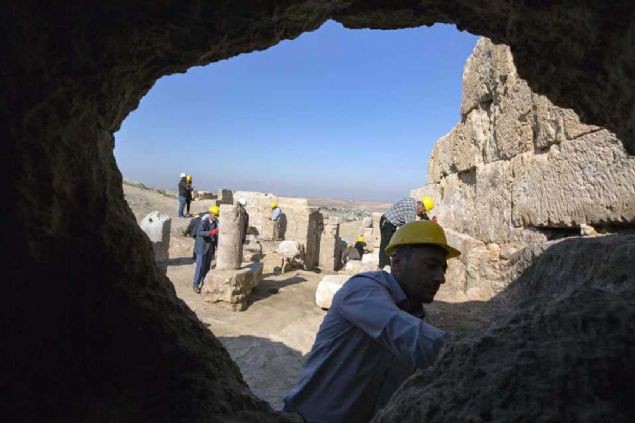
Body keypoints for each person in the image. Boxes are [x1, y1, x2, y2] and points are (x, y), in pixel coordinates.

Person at [283, 221, 460, 422]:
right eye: (431, 266)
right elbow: (399, 330)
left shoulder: (416, 317)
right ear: (397, 262)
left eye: (443, 268)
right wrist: (468, 352)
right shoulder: (363, 290)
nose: (441, 278)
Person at [378, 195, 435, 268]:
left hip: (387, 221)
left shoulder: (412, 201)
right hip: (387, 224)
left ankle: (386, 266)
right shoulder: (411, 212)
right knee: (385, 246)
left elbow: (419, 213)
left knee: (388, 245)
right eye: (424, 210)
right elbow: (409, 230)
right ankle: (383, 268)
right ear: (422, 206)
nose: (423, 212)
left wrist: (428, 220)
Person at [192, 205, 220, 293]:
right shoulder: (203, 222)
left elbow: (215, 237)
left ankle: (205, 284)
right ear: (211, 214)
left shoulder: (216, 223)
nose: (216, 216)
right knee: (200, 267)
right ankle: (195, 285)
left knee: (207, 267)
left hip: (210, 248)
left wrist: (217, 246)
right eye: (215, 215)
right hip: (202, 247)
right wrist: (212, 232)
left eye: (217, 215)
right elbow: (199, 232)